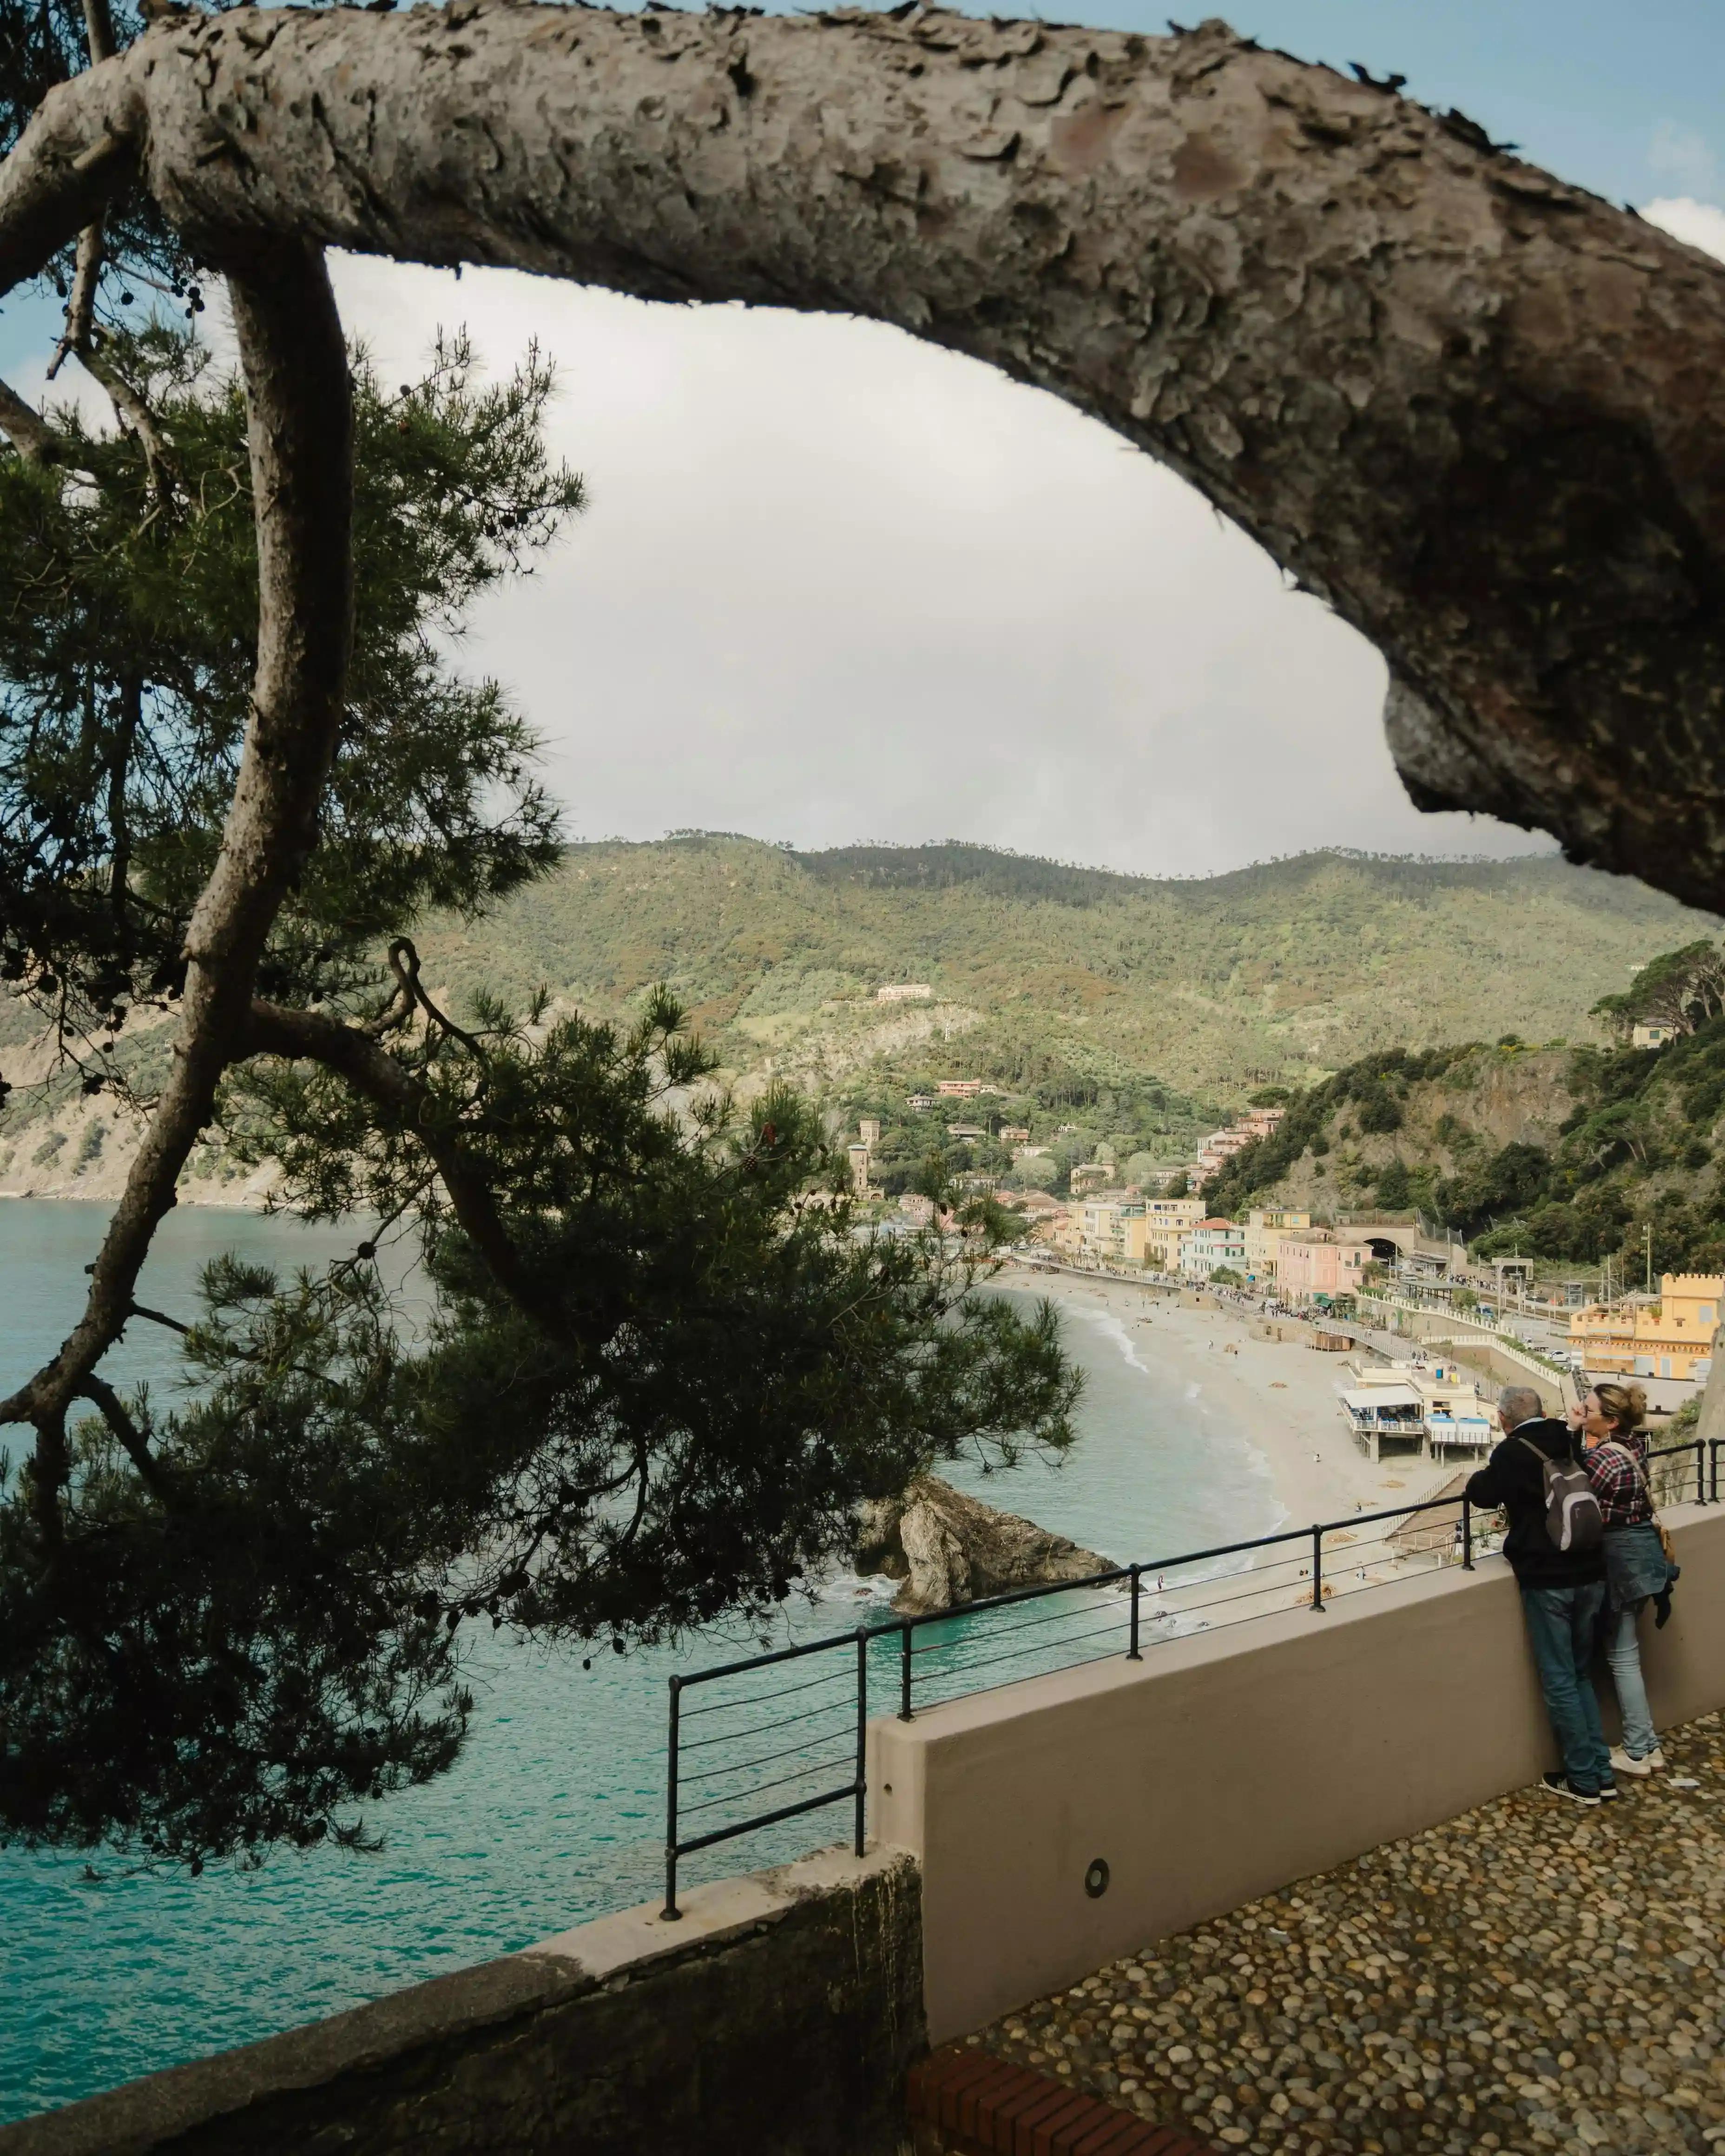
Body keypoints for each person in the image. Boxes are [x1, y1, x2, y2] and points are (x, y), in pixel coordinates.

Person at [1465, 1384, 1614, 1805]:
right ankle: (1602, 1772)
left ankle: (1584, 1780)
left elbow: (1483, 1493)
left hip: (1549, 1576)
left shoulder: (1512, 1452)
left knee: (1560, 1679)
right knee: (1582, 1673)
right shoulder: (1566, 1438)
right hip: (1591, 1567)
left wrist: (1484, 1472)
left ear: (1502, 1418)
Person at [1573, 1381, 1676, 1777]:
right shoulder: (1633, 1446)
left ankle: (1636, 1750)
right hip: (1644, 1558)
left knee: (1623, 1658)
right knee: (1628, 1655)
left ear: (1611, 1421)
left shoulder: (1603, 1460)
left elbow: (1571, 1484)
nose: (1582, 1413)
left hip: (1621, 1563)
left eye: (1588, 1409)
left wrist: (1573, 1430)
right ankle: (1648, 1746)